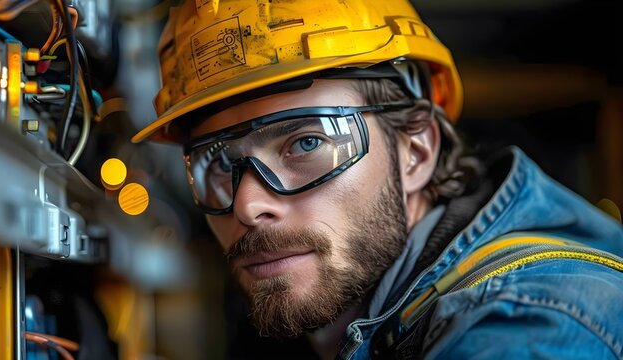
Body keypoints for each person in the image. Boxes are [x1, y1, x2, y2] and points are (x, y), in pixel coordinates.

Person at [131, 0, 623, 358]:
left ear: (416, 152)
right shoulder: (365, 319)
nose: (246, 205)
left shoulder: (525, 328)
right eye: (219, 163)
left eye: (306, 143)